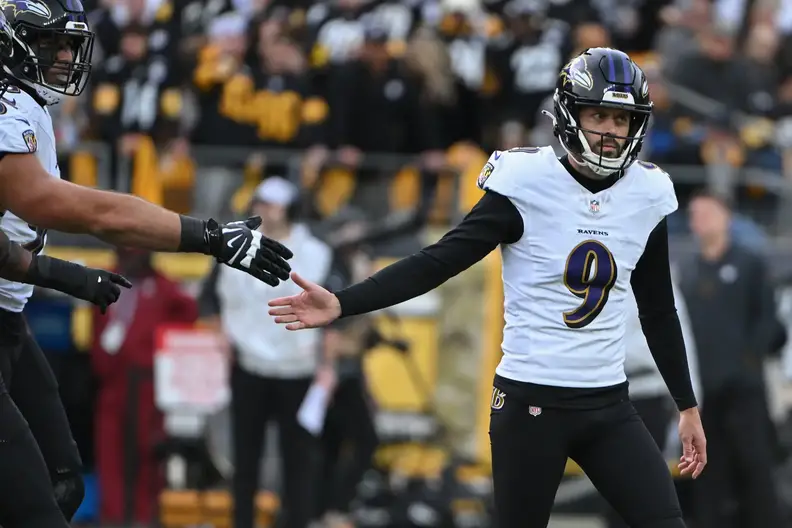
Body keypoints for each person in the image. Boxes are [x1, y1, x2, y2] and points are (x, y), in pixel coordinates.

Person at [269, 47, 707, 528]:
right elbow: (437, 261)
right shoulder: (527, 182)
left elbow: (659, 310)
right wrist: (344, 302)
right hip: (531, 404)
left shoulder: (646, 193)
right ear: (568, 115)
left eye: (622, 120)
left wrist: (686, 404)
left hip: (609, 403)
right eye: (598, 114)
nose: (610, 131)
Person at [0, 3, 292, 528]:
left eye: (70, 45)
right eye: (51, 44)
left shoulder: (26, 104)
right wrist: (204, 235)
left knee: (64, 482)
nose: (66, 57)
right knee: (35, 510)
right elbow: (75, 210)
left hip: (9, 322)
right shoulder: (5, 108)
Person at [199, 177, 332, 528]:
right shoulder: (236, 246)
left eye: (271, 204)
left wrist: (327, 365)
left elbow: (334, 311)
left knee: (297, 461)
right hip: (249, 365)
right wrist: (221, 337)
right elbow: (210, 297)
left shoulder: (317, 253)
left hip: (297, 368)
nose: (263, 210)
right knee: (246, 458)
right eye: (259, 202)